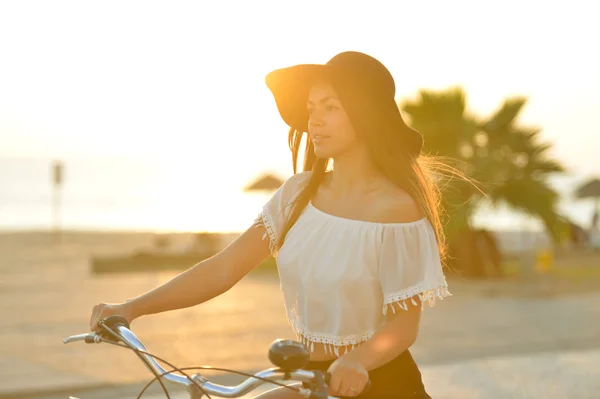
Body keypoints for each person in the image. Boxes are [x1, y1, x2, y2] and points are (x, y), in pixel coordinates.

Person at [89, 51, 453, 399]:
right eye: (312, 108)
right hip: (311, 377)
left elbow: (403, 327)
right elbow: (224, 268)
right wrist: (133, 308)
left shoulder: (395, 210)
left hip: (378, 384)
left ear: (366, 115)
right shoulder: (297, 195)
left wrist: (357, 360)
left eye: (331, 108)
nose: (315, 120)